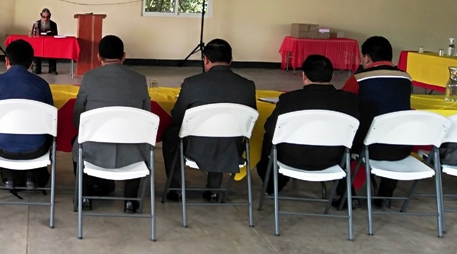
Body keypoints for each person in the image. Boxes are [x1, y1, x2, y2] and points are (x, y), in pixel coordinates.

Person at [162, 39, 256, 202]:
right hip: (231, 150)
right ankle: (214, 190)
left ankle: (176, 189)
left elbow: (178, 117)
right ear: (231, 60)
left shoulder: (192, 83)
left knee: (171, 135)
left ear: (205, 59)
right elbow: (250, 119)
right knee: (225, 132)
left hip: (196, 148)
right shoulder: (247, 85)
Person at [256, 55, 359, 194]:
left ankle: (273, 186)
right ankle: (345, 194)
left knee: (268, 138)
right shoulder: (349, 100)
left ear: (304, 76)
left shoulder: (289, 99)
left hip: (290, 159)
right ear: (332, 75)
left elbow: (269, 128)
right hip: (333, 160)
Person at [72, 35, 150, 213]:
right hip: (133, 152)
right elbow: (147, 117)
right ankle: (130, 200)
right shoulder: (139, 79)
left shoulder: (89, 78)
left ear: (99, 57)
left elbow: (78, 120)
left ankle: (85, 197)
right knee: (139, 142)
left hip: (94, 150)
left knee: (77, 143)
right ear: (124, 56)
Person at [341, 36, 412, 208]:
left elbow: (343, 104)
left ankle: (347, 196)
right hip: (401, 147)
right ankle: (385, 196)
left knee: (338, 140)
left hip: (368, 147)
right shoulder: (406, 78)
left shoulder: (359, 79)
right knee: (394, 132)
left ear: (366, 58)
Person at [0, 39, 54, 190]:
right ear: (31, 63)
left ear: (6, 61)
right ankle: (33, 177)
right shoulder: (42, 85)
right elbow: (51, 119)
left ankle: (10, 176)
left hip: (1, 148)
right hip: (37, 148)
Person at [30, 8, 58, 75]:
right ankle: (37, 69)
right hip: (39, 44)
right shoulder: (36, 24)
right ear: (41, 16)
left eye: (47, 17)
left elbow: (55, 35)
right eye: (44, 17)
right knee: (36, 49)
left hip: (50, 44)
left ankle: (52, 69)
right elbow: (33, 34)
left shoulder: (53, 24)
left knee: (53, 50)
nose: (45, 19)